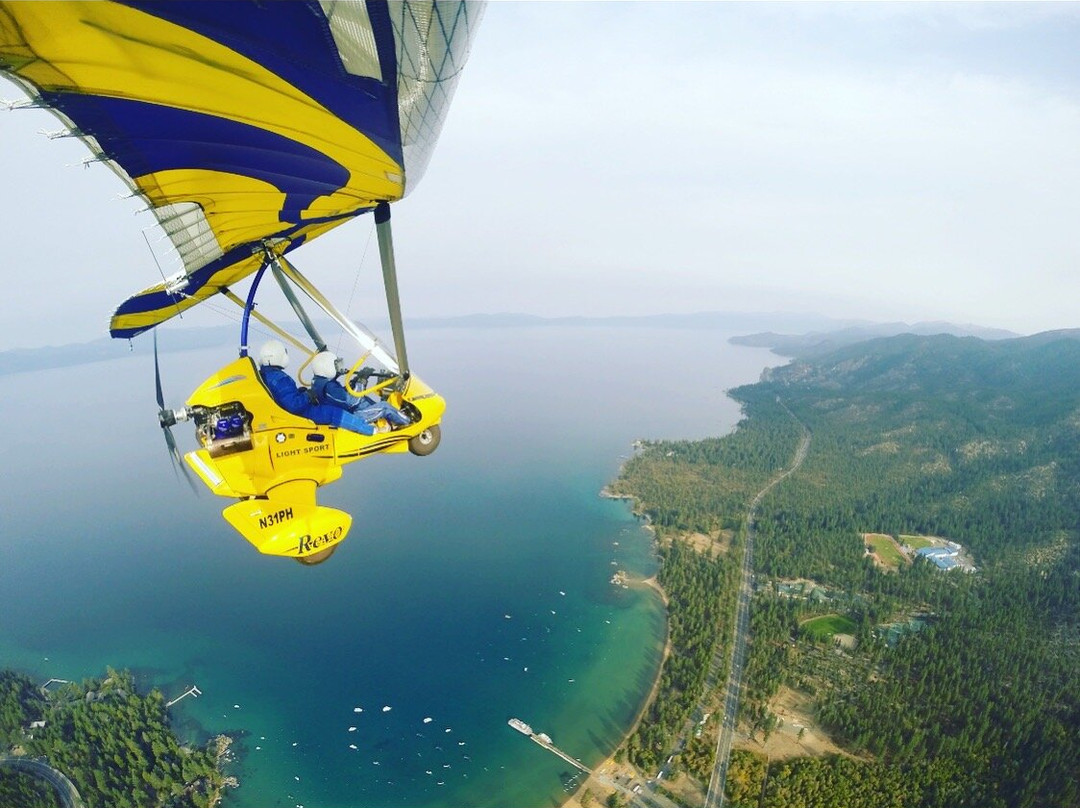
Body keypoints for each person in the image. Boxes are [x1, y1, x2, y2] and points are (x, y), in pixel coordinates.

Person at [256, 341, 382, 436]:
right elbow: (293, 405)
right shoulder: (279, 379)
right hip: (299, 414)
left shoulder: (268, 375)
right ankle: (371, 431)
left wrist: (302, 393)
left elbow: (286, 397)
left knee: (329, 408)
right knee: (333, 413)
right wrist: (308, 396)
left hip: (289, 412)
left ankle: (367, 423)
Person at [309, 351, 411, 429]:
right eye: (336, 365)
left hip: (344, 413)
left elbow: (342, 396)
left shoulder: (320, 382)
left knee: (366, 400)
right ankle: (409, 422)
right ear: (327, 367)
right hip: (351, 417)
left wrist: (355, 380)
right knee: (384, 407)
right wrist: (362, 381)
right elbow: (353, 401)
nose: (339, 368)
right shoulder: (329, 388)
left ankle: (394, 419)